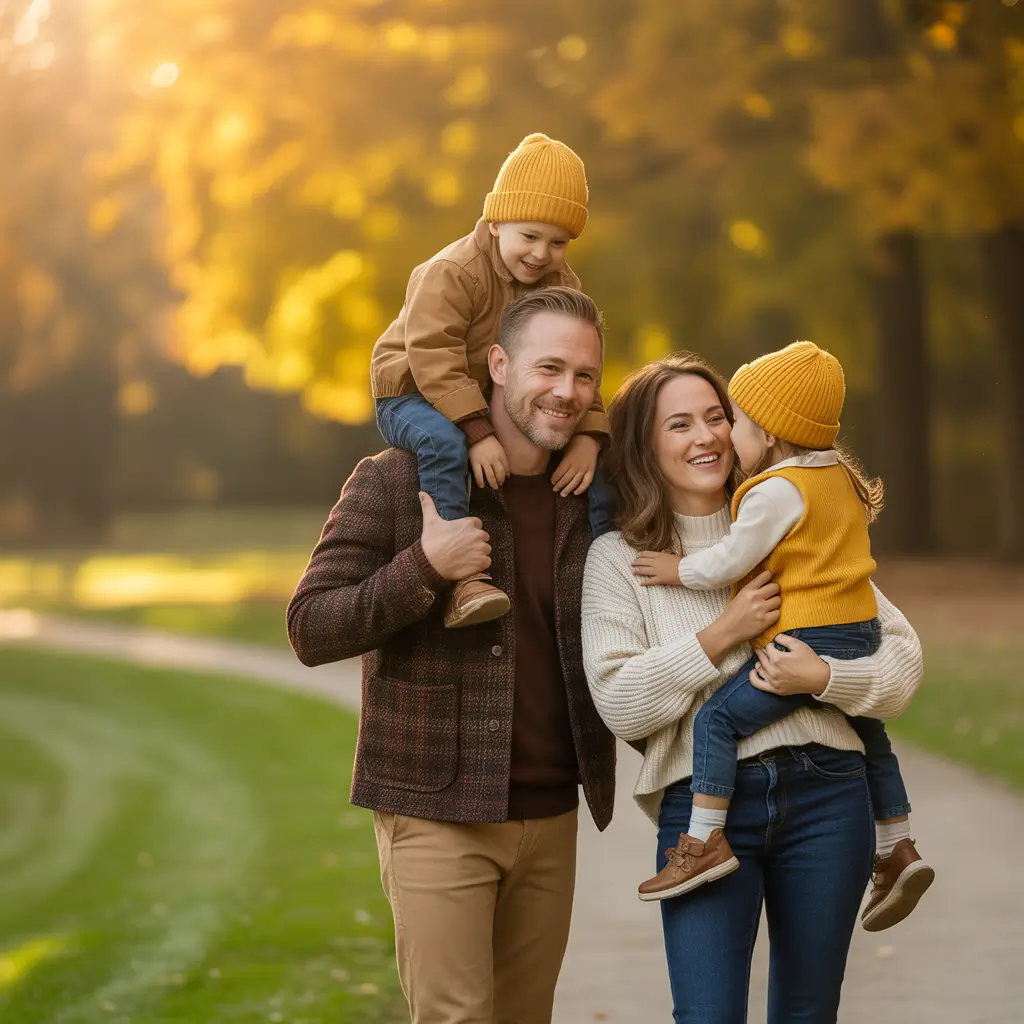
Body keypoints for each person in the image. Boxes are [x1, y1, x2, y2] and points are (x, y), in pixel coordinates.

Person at [289, 286, 616, 1024]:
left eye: (585, 376)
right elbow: (311, 627)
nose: (567, 392)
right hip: (436, 811)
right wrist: (427, 568)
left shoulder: (588, 498)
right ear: (497, 364)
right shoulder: (398, 480)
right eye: (549, 368)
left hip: (553, 813)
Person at [581, 354, 924, 1022]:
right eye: (679, 424)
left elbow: (902, 660)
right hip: (705, 814)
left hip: (830, 795)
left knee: (807, 1013)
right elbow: (621, 700)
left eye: (717, 417)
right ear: (646, 446)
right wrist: (722, 634)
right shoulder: (621, 559)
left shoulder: (794, 523)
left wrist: (826, 677)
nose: (706, 436)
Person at [371, 132, 613, 629]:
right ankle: (464, 581)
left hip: (475, 394)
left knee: (602, 465)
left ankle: (612, 573)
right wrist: (477, 433)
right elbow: (432, 355)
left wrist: (590, 434)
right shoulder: (453, 271)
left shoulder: (562, 285)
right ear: (496, 221)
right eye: (530, 236)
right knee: (444, 444)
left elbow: (578, 361)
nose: (542, 253)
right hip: (412, 391)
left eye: (558, 242)